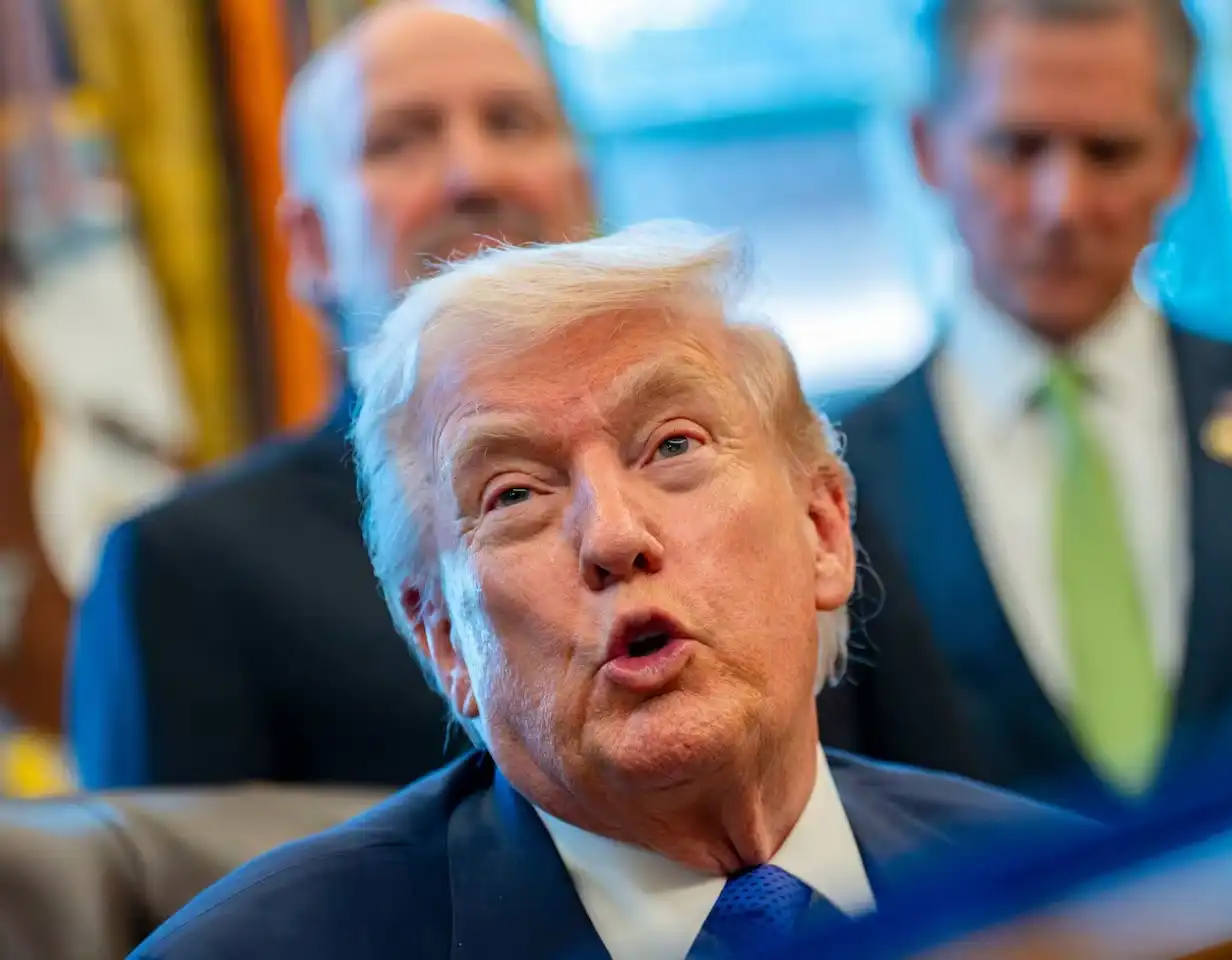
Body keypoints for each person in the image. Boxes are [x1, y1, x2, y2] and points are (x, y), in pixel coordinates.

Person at [130, 223, 1084, 960]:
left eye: (674, 445)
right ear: (444, 642)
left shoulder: (1080, 900)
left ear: (823, 529)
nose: (615, 537)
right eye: (514, 495)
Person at [819, 0, 1232, 814]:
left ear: (1180, 158)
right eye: (1017, 146)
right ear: (928, 148)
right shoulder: (834, 494)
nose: (1062, 204)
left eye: (1108, 151)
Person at [68, 0, 596, 788]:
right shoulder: (186, 571)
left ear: (581, 196)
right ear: (312, 245)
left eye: (512, 122)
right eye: (399, 140)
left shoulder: (750, 487)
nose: (473, 173)